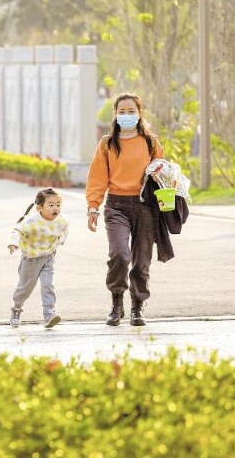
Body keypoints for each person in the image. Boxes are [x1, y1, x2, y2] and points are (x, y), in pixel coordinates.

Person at [86, 93, 164, 327]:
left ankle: (137, 307)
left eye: (131, 111)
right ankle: (116, 302)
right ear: (116, 114)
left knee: (142, 260)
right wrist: (93, 207)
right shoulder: (107, 143)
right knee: (119, 254)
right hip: (116, 205)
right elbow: (97, 178)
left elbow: (164, 174)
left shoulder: (151, 142)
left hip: (145, 206)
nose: (127, 115)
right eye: (122, 111)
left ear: (139, 113)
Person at [7, 188, 69, 329]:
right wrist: (13, 242)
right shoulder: (31, 221)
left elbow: (65, 229)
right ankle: (16, 309)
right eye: (51, 205)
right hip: (31, 259)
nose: (56, 208)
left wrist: (61, 240)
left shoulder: (61, 220)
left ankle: (49, 314)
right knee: (25, 288)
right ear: (39, 207)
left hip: (48, 257)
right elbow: (17, 230)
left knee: (48, 284)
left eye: (58, 205)